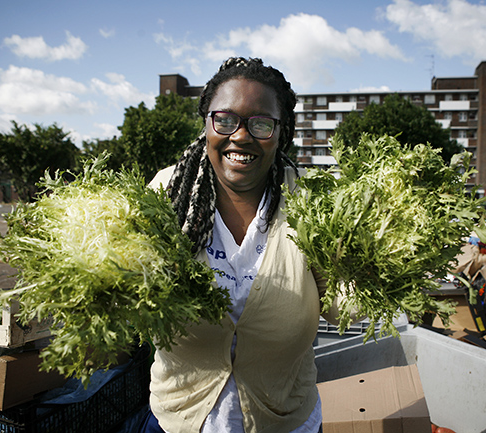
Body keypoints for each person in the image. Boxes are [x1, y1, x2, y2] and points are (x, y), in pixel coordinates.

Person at [139, 57, 341, 433]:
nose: (241, 136)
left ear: (281, 132)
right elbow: (132, 291)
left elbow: (343, 309)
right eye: (225, 120)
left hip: (285, 421)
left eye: (260, 123)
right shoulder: (167, 192)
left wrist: (377, 263)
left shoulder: (309, 201)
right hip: (180, 419)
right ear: (207, 124)